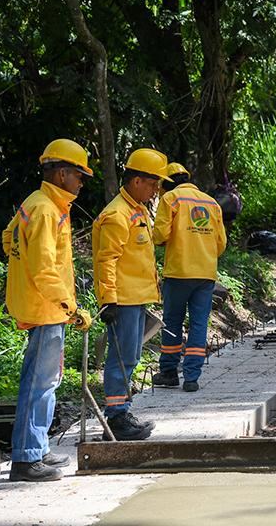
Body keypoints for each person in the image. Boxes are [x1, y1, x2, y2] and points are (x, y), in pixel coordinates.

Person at [3, 139, 93, 482]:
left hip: (45, 306)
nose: (82, 183)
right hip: (47, 308)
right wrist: (69, 306)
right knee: (39, 384)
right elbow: (43, 268)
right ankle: (26, 459)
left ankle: (37, 448)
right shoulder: (45, 209)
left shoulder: (41, 204)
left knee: (47, 381)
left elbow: (8, 237)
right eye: (79, 176)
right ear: (61, 174)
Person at [92, 148, 171, 440]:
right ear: (137, 181)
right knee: (122, 358)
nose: (155, 191)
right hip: (122, 299)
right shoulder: (117, 214)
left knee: (131, 356)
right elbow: (106, 260)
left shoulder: (136, 210)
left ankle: (122, 411)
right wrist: (108, 299)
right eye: (152, 184)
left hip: (136, 297)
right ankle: (116, 418)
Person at [151, 163, 227, 392]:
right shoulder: (211, 202)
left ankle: (169, 372)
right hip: (205, 274)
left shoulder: (170, 199)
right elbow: (221, 243)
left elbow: (160, 235)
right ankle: (192, 377)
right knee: (199, 323)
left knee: (172, 322)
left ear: (167, 183)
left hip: (178, 272)